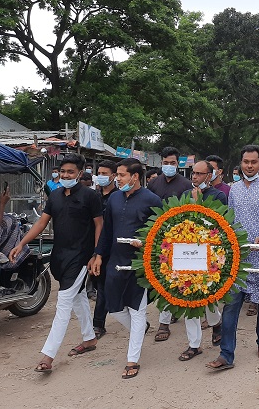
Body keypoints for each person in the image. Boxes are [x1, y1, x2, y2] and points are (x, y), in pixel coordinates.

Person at [9, 153, 103, 373]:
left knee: (63, 303)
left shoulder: (90, 196)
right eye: (63, 171)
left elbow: (99, 225)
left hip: (81, 256)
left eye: (70, 172)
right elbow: (42, 223)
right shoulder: (55, 196)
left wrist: (97, 254)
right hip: (60, 255)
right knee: (78, 297)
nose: (65, 175)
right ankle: (89, 338)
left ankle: (48, 355)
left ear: (80, 173)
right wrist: (21, 243)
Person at [207, 145, 259, 371]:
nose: (249, 166)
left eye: (254, 162)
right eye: (246, 162)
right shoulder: (234, 190)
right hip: (238, 256)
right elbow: (229, 219)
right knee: (231, 305)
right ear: (240, 163)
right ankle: (226, 354)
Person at [90, 158, 161, 379]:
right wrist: (99, 255)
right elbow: (107, 231)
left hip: (139, 264)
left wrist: (146, 242)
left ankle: (132, 360)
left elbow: (161, 233)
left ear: (135, 176)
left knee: (137, 310)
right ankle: (140, 330)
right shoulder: (114, 199)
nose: (117, 179)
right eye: (117, 175)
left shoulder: (152, 200)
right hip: (114, 261)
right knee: (115, 307)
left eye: (121, 175)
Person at [172, 160, 228, 361]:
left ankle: (216, 323)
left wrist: (199, 203)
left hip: (209, 254)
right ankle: (194, 345)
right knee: (189, 297)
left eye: (199, 173)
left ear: (209, 176)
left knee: (208, 297)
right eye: (193, 173)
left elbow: (215, 224)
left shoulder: (218, 196)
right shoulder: (185, 195)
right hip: (187, 254)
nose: (194, 177)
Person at [149, 146, 194, 342]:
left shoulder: (186, 185)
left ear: (178, 164)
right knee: (165, 281)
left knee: (181, 279)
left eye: (172, 163)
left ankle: (180, 311)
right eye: (165, 163)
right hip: (159, 239)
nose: (168, 166)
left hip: (181, 239)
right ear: (161, 163)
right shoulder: (153, 184)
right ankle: (164, 323)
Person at [91, 160, 118, 339]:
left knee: (104, 287)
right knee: (99, 285)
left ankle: (98, 324)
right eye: (98, 173)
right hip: (93, 247)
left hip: (111, 248)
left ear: (113, 176)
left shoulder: (118, 197)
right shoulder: (93, 196)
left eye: (104, 173)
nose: (101, 177)